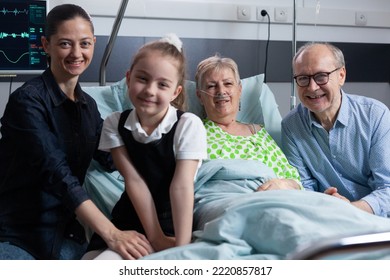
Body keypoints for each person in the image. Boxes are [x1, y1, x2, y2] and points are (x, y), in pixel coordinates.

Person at [0, 4, 153, 260]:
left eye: (84, 43)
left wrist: (160, 144)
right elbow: (56, 173)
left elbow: (110, 156)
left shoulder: (88, 107)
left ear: (93, 43)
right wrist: (112, 234)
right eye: (64, 44)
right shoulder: (26, 102)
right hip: (17, 235)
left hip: (66, 236)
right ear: (46, 45)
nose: (76, 53)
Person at [83, 34, 207, 260]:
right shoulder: (114, 123)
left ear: (176, 92)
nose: (150, 90)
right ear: (128, 78)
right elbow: (134, 181)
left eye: (162, 85)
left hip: (175, 225)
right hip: (129, 222)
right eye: (142, 78)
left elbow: (181, 186)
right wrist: (154, 237)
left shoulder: (188, 125)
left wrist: (181, 249)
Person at [281, 42, 390, 217]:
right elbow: (303, 186)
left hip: (376, 219)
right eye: (303, 78)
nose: (312, 87)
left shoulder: (375, 116)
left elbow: (387, 187)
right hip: (325, 217)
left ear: (341, 75)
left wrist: (350, 209)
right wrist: (323, 203)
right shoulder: (291, 126)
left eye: (321, 76)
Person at [195, 54, 301, 191]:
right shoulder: (195, 133)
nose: (221, 91)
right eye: (211, 86)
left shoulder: (259, 133)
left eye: (228, 83)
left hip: (274, 199)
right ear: (200, 96)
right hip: (226, 199)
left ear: (239, 90)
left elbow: (294, 180)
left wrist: (283, 184)